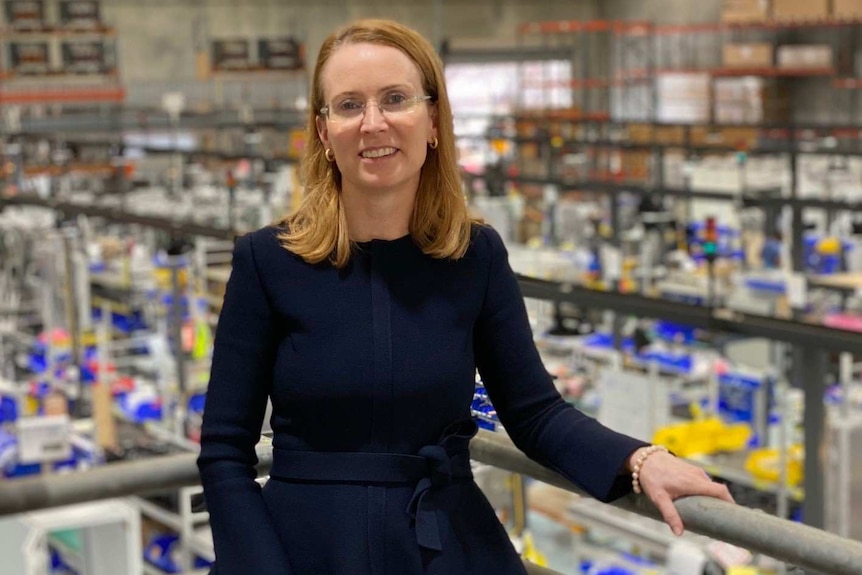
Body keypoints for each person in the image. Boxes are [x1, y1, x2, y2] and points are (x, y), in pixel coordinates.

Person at [197, 18, 734, 575]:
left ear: (432, 121)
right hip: (305, 550)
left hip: (445, 545)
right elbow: (224, 450)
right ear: (324, 132)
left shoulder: (475, 257)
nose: (373, 123)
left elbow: (535, 413)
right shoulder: (267, 262)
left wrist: (641, 459)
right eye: (349, 105)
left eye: (395, 99)